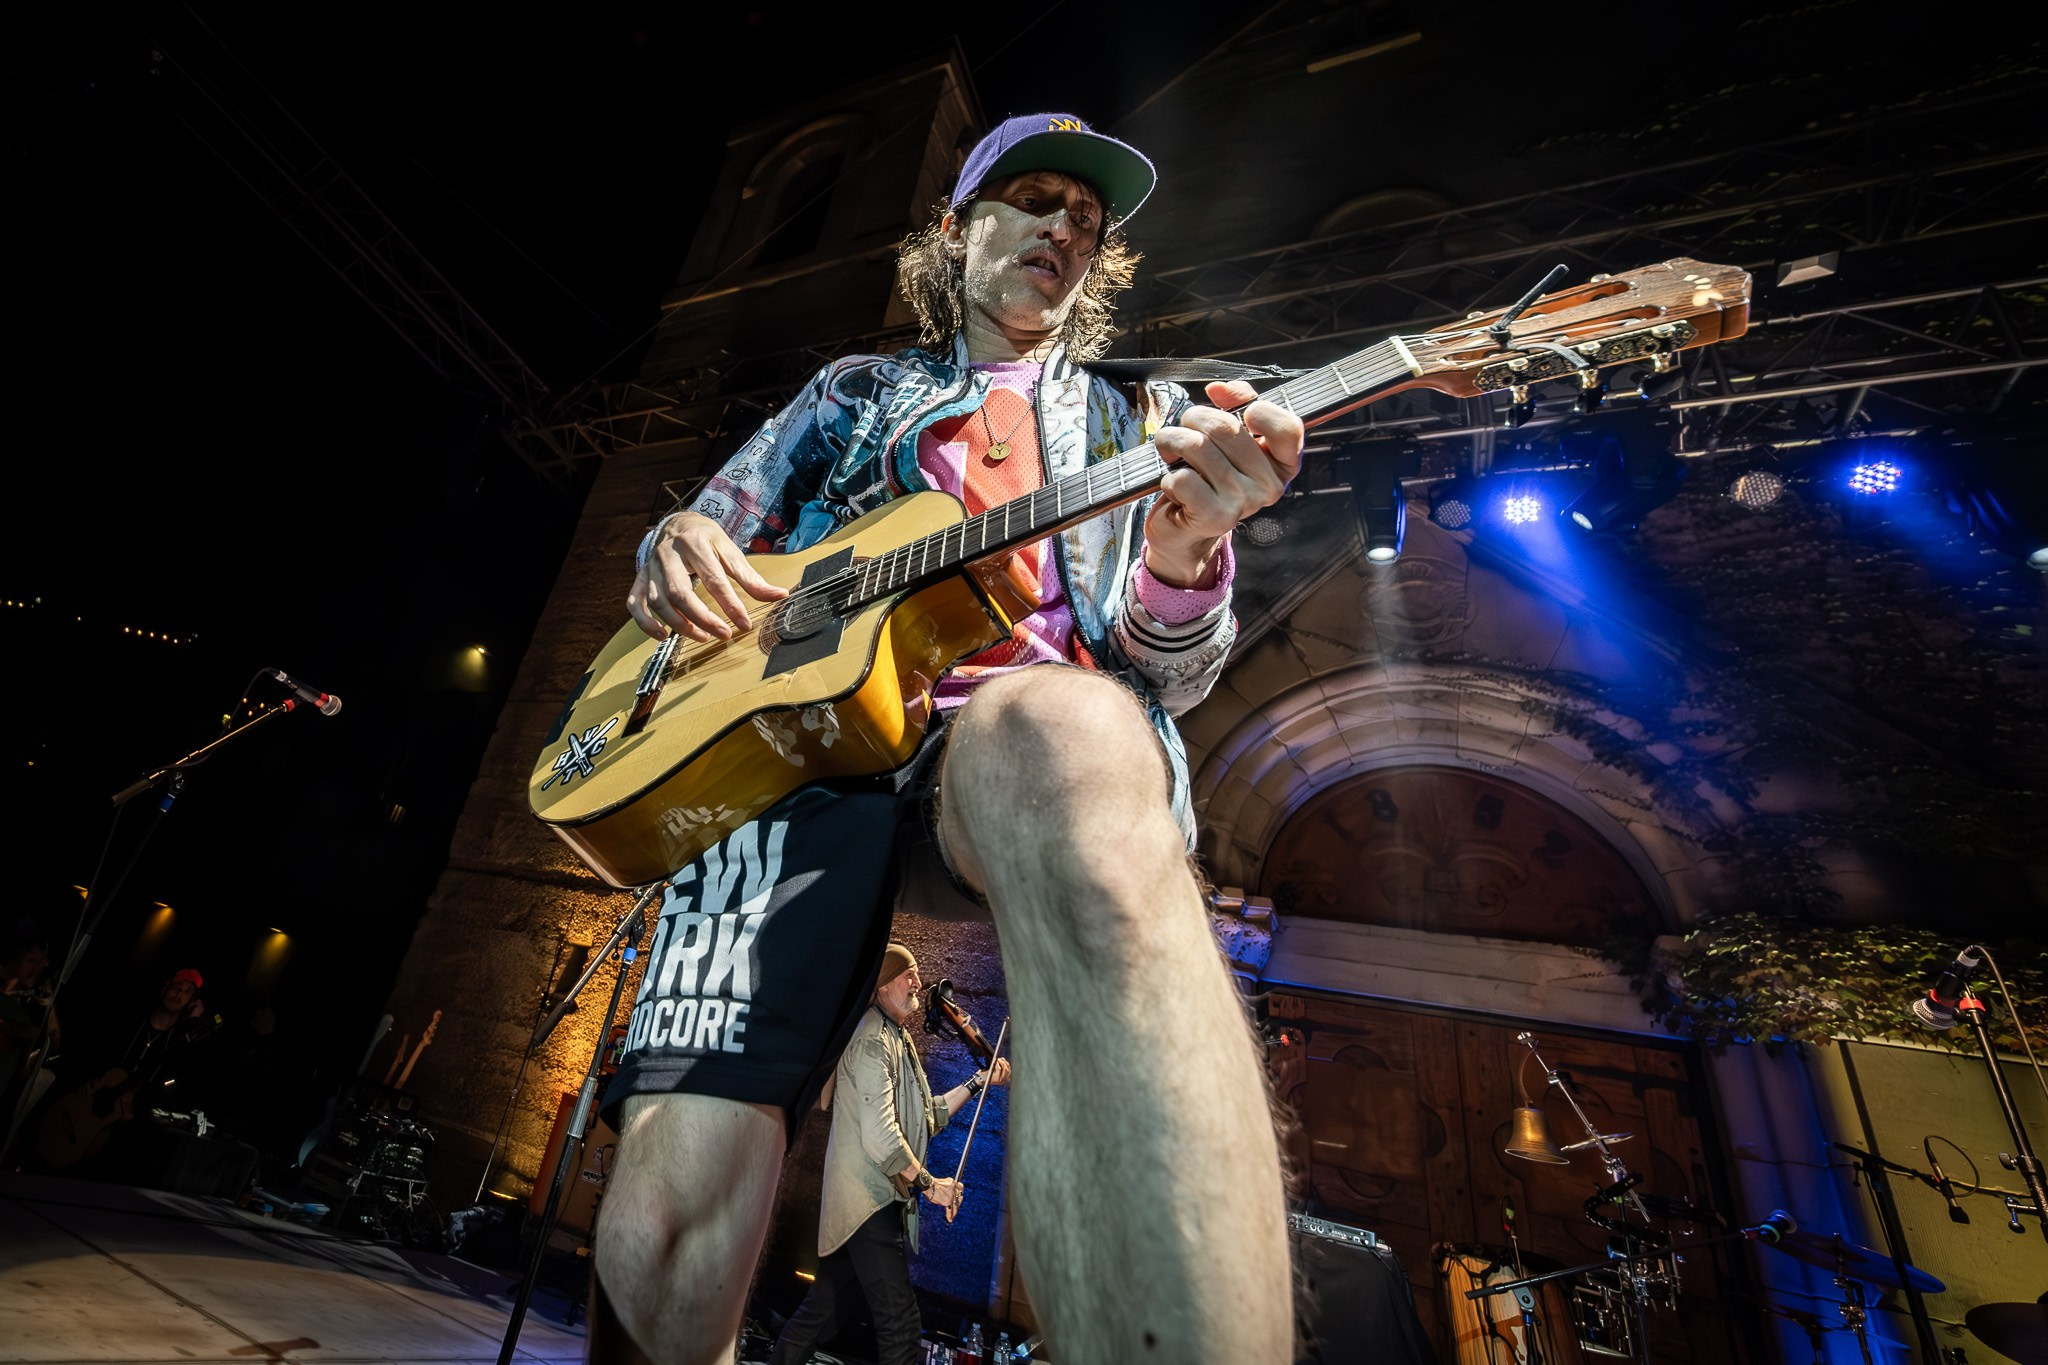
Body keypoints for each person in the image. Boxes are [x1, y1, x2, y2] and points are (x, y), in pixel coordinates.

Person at [592, 113, 1300, 1365]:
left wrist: (1188, 556)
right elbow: (708, 540)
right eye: (1033, 201)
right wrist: (675, 547)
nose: (1061, 230)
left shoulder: (1141, 421)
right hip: (800, 754)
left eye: (1085, 222)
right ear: (956, 229)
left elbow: (1161, 670)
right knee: (661, 1226)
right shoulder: (851, 394)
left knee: (1068, 729)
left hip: (1011, 758)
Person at [766, 944, 1010, 1365]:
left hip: (870, 1203)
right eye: (907, 974)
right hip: (869, 1203)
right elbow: (882, 1138)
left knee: (826, 1312)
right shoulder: (870, 1042)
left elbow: (927, 1116)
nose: (918, 981)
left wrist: (977, 1081)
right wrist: (932, 1187)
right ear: (881, 987)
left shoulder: (896, 1038)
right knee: (899, 1325)